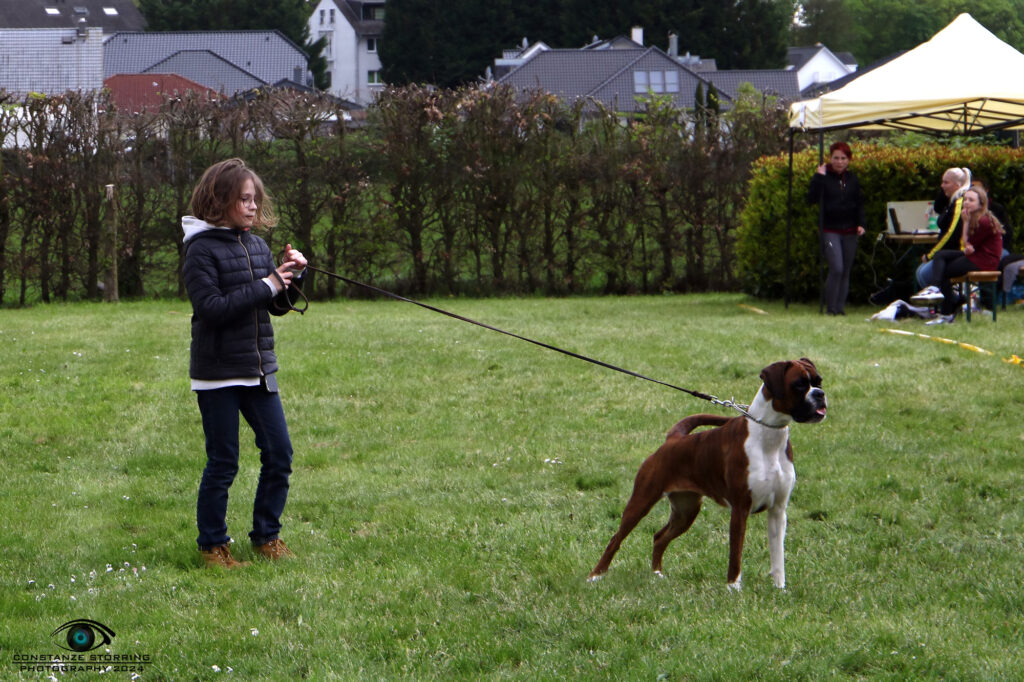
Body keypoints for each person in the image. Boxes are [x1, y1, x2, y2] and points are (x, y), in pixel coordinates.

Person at [182, 158, 308, 569]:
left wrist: (291, 277)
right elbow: (212, 308)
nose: (252, 207)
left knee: (280, 452)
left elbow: (273, 306)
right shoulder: (200, 249)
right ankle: (213, 546)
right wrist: (267, 284)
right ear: (220, 201)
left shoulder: (255, 244)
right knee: (224, 462)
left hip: (258, 371)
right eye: (243, 199)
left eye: (255, 199)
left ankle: (266, 536)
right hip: (217, 374)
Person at [925, 185, 1003, 324]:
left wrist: (965, 223)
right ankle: (936, 290)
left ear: (981, 204)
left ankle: (947, 313)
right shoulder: (973, 217)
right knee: (941, 255)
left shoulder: (983, 221)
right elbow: (966, 246)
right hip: (975, 255)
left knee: (944, 271)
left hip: (984, 260)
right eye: (965, 199)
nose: (966, 202)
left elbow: (967, 243)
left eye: (971, 200)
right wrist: (966, 224)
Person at [807, 141, 866, 315]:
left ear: (848, 160)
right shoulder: (823, 177)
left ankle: (840, 308)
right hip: (829, 232)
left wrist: (861, 224)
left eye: (843, 158)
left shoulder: (853, 179)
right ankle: (830, 307)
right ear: (830, 158)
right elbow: (811, 199)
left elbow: (859, 204)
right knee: (837, 267)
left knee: (846, 270)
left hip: (850, 231)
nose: (839, 162)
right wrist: (818, 178)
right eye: (836, 158)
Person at [916, 167, 971, 290]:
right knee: (920, 272)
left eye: (946, 182)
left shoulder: (959, 202)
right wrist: (946, 190)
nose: (942, 186)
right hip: (946, 252)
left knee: (924, 274)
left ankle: (946, 301)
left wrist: (930, 255)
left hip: (956, 252)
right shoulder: (951, 201)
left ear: (957, 185)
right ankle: (945, 302)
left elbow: (951, 233)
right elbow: (938, 206)